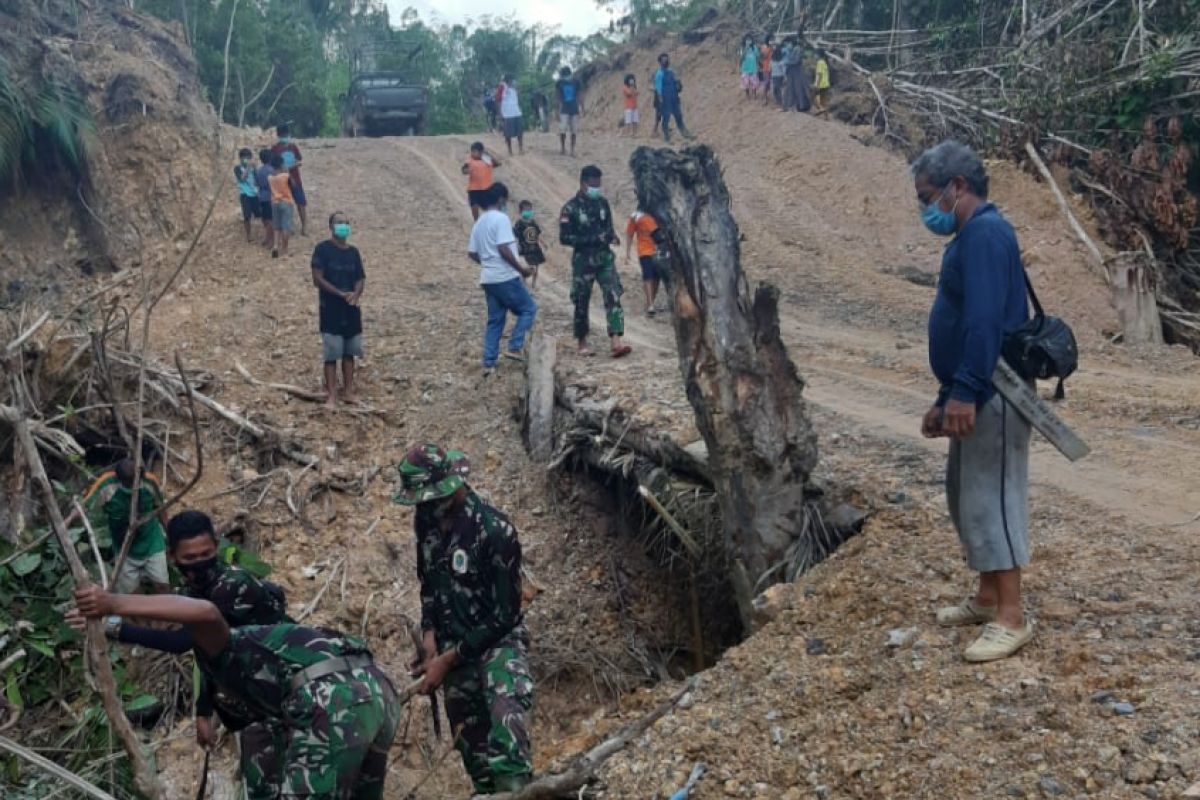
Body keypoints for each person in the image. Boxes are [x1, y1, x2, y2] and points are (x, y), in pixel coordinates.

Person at [70, 587, 401, 800]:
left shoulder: (230, 649)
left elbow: (204, 613)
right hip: (379, 690)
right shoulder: (277, 656)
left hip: (333, 700)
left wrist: (111, 604)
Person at [69, 511, 292, 799]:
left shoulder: (232, 585)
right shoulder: (193, 591)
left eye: (206, 554)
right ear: (172, 556)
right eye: (190, 559)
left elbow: (180, 642)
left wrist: (112, 620)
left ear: (217, 546)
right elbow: (207, 651)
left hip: (285, 695)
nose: (200, 564)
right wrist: (204, 711)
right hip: (257, 697)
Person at [913, 140, 1035, 663]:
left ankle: (1012, 617)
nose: (925, 208)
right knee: (967, 494)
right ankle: (987, 598)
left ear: (957, 186)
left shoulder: (985, 233)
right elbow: (963, 324)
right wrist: (947, 395)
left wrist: (965, 389)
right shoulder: (968, 236)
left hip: (995, 388)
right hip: (973, 387)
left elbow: (985, 321)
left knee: (995, 496)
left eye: (928, 196)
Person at [392, 444, 533, 795]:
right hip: (451, 647)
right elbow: (430, 584)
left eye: (430, 497)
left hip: (498, 644)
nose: (425, 506)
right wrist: (429, 637)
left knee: (508, 738)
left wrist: (446, 661)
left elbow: (506, 614)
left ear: (452, 485)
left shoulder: (495, 531)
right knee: (475, 754)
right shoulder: (426, 521)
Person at [63, 458, 169, 595]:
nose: (132, 487)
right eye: (128, 483)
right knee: (133, 594)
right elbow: (85, 506)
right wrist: (68, 521)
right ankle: (144, 615)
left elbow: (161, 508)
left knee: (162, 585)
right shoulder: (106, 484)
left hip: (151, 541)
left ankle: (167, 614)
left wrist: (169, 533)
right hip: (124, 545)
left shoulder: (150, 482)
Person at [559, 165, 631, 358]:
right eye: (593, 185)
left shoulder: (602, 203)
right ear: (583, 183)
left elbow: (607, 227)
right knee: (581, 300)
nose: (596, 189)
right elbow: (565, 238)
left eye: (598, 185)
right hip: (583, 261)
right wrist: (592, 239)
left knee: (613, 295)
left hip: (605, 258)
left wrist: (611, 237)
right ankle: (582, 342)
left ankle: (616, 340)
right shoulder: (570, 208)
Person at [468, 183, 537, 372]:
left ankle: (489, 362)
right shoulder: (501, 219)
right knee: (529, 309)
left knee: (495, 320)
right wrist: (522, 270)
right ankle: (515, 346)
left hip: (488, 278)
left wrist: (487, 263)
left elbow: (472, 253)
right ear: (500, 199)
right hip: (505, 277)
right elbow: (503, 248)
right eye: (505, 200)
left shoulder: (479, 222)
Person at [311, 211, 365, 408]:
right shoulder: (322, 249)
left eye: (346, 222)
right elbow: (317, 278)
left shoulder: (354, 252)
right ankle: (332, 395)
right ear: (331, 227)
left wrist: (356, 294)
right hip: (330, 309)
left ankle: (349, 391)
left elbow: (360, 277)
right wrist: (339, 293)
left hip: (351, 310)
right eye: (339, 222)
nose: (343, 226)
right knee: (332, 353)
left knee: (350, 352)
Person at [624, 209, 665, 316]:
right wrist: (627, 252)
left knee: (656, 278)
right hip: (645, 251)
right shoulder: (636, 216)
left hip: (658, 251)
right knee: (648, 277)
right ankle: (650, 304)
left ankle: (649, 304)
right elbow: (629, 233)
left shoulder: (659, 213)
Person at [270, 124, 306, 236]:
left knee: (301, 203)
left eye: (286, 135)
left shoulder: (293, 147)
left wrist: (291, 166)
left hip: (295, 179)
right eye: (283, 135)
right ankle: (288, 227)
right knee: (286, 205)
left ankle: (304, 227)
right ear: (279, 136)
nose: (285, 137)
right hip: (282, 182)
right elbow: (273, 165)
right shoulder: (275, 149)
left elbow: (300, 161)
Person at [655, 53, 692, 144]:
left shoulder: (671, 71)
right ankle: (667, 137)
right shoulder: (659, 74)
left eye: (667, 59)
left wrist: (678, 85)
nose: (666, 61)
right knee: (666, 119)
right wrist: (660, 100)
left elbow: (675, 82)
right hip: (665, 99)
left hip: (674, 98)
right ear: (660, 62)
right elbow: (658, 88)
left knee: (679, 116)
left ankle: (685, 134)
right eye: (664, 60)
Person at [463, 141, 501, 221]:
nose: (473, 153)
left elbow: (497, 164)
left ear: (481, 152)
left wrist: (489, 155)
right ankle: (476, 221)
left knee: (489, 208)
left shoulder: (487, 160)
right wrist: (467, 170)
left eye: (474, 151)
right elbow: (464, 169)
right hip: (473, 189)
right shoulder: (470, 160)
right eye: (472, 151)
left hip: (487, 188)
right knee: (474, 207)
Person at [513, 199, 547, 287]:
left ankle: (534, 283)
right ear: (521, 211)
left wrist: (543, 243)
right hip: (524, 249)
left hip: (535, 248)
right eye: (526, 210)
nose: (528, 212)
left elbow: (537, 234)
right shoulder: (519, 223)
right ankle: (524, 282)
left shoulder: (533, 222)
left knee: (536, 267)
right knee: (525, 267)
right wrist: (516, 246)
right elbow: (515, 236)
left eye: (530, 210)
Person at [267, 153, 294, 258]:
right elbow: (294, 185)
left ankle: (275, 247)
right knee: (285, 227)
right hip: (286, 202)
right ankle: (285, 250)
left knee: (277, 227)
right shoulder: (285, 176)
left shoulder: (270, 177)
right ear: (282, 164)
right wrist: (287, 171)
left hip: (275, 202)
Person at [555, 66, 583, 156]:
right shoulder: (559, 83)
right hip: (564, 109)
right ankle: (563, 148)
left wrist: (582, 106)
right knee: (563, 130)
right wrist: (557, 110)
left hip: (573, 108)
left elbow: (579, 95)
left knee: (574, 130)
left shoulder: (576, 82)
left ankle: (572, 150)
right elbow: (558, 97)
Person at [235, 148, 258, 243]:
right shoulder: (237, 168)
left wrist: (255, 168)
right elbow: (242, 179)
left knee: (259, 213)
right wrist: (248, 168)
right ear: (240, 158)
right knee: (247, 215)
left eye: (248, 158)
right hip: (245, 194)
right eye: (244, 158)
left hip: (254, 193)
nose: (246, 160)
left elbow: (257, 179)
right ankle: (248, 235)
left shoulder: (253, 168)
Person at [497, 75, 524, 156]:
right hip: (507, 114)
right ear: (509, 81)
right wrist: (500, 113)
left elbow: (519, 97)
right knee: (508, 134)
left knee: (520, 132)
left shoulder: (514, 89)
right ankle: (510, 150)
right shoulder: (502, 87)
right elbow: (498, 100)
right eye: (513, 80)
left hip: (516, 112)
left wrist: (517, 88)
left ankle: (521, 149)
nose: (514, 82)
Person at [782, 37, 811, 112]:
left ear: (790, 43)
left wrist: (786, 62)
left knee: (799, 89)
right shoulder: (790, 50)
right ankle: (790, 106)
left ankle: (801, 106)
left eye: (787, 44)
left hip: (797, 72)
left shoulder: (797, 49)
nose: (787, 46)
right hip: (791, 72)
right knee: (790, 89)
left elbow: (796, 61)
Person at [253, 148, 275, 248]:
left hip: (261, 196)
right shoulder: (272, 170)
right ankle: (271, 240)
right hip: (270, 196)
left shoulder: (259, 170)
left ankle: (267, 237)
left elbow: (256, 183)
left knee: (265, 219)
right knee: (270, 220)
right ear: (270, 158)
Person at [768, 40, 787, 107]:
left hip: (779, 76)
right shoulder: (772, 60)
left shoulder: (781, 61)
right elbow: (769, 69)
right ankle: (778, 101)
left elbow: (784, 70)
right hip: (774, 76)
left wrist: (785, 77)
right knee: (775, 90)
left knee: (777, 89)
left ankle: (780, 102)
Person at [813, 48, 831, 114]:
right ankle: (826, 116)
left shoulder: (819, 62)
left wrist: (817, 85)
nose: (814, 56)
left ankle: (820, 108)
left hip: (821, 84)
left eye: (815, 54)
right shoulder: (824, 62)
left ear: (818, 55)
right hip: (826, 83)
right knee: (823, 101)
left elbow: (820, 74)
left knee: (812, 96)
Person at [759, 34, 775, 103]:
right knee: (766, 81)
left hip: (772, 66)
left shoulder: (772, 47)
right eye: (771, 39)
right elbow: (763, 57)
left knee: (769, 83)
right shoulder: (764, 47)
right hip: (765, 66)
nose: (772, 41)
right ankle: (764, 98)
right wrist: (770, 50)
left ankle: (767, 96)